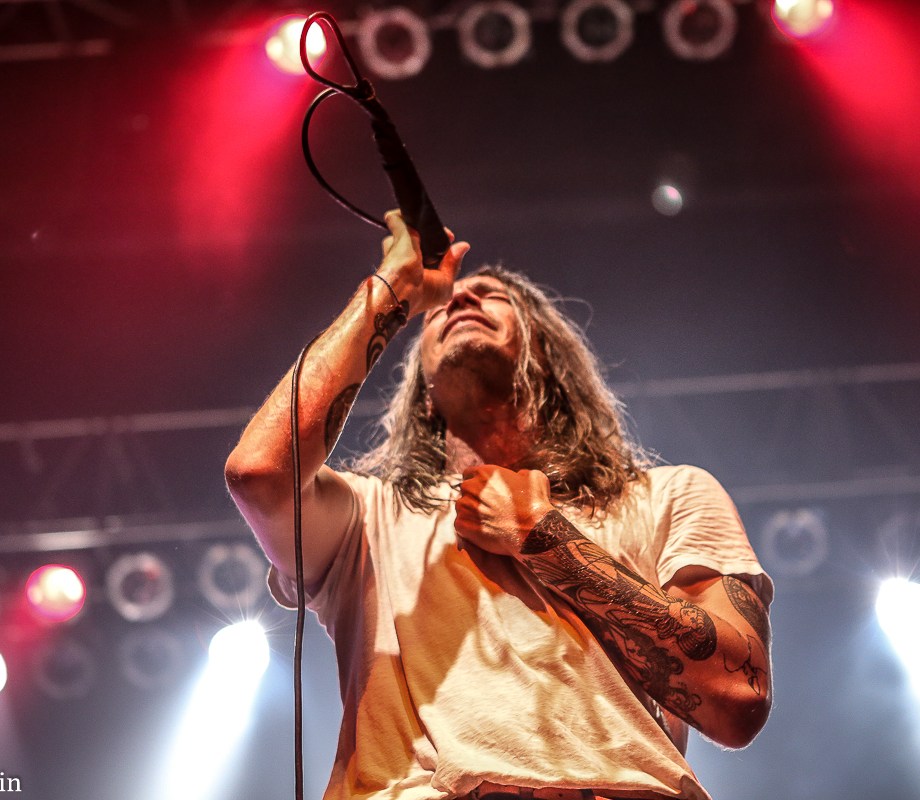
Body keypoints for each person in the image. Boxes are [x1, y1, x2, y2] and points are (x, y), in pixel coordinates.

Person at [224, 211, 774, 800]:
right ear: (422, 392)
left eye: (493, 296)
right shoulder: (367, 516)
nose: (462, 298)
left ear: (546, 358)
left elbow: (736, 698)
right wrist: (392, 291)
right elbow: (260, 474)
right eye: (440, 310)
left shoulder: (667, 495)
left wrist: (542, 536)